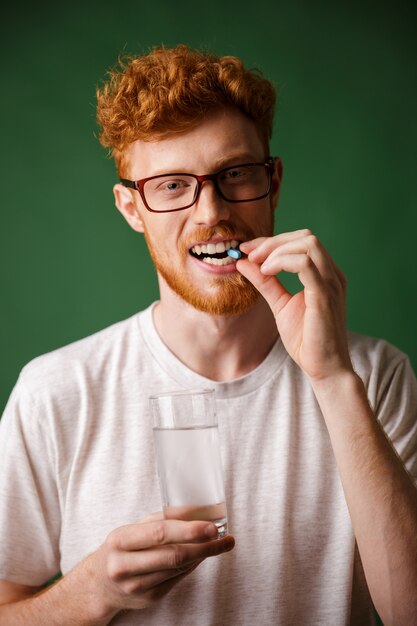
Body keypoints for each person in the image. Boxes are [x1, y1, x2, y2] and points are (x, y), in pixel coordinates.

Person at [0, 44, 416, 626]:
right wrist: (91, 590)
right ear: (131, 208)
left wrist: (333, 377)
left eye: (235, 174)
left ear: (272, 181)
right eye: (171, 185)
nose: (210, 211)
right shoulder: (55, 393)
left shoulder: (376, 377)